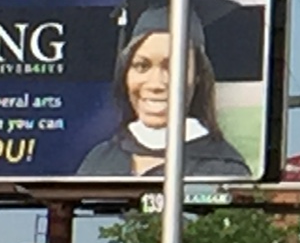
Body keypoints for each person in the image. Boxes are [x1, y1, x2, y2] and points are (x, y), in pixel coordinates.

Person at [76, 19, 252, 181]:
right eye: (141, 66)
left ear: (198, 75)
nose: (156, 83)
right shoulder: (100, 159)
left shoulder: (224, 170)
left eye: (175, 67)